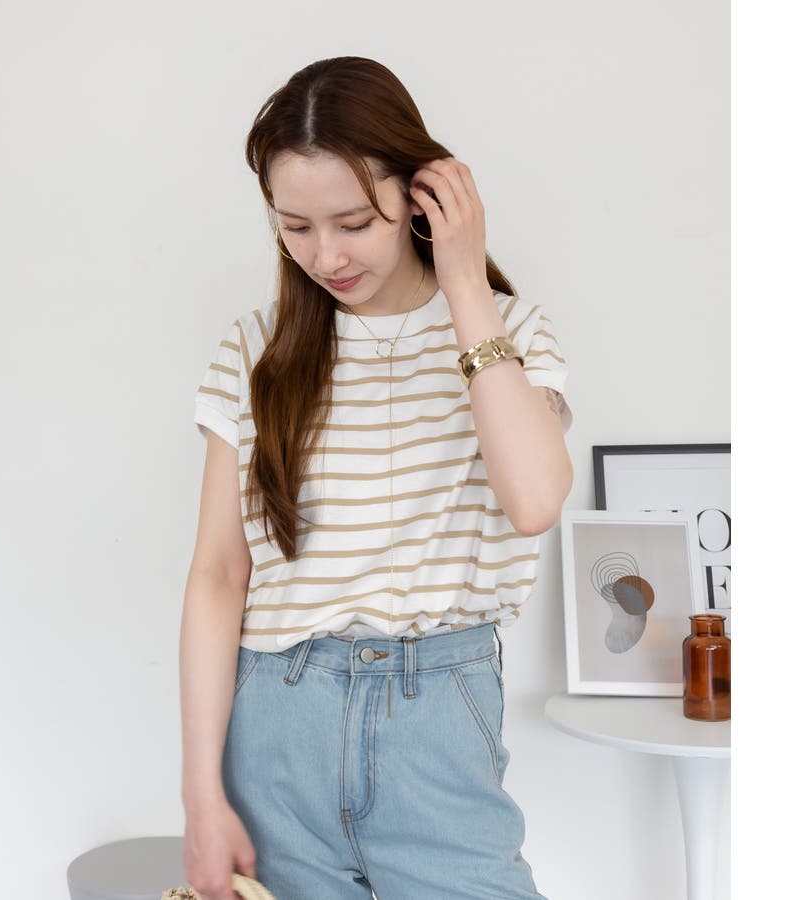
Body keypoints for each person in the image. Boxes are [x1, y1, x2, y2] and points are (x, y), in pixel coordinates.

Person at [180, 56, 573, 900]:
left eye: (354, 221)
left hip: (438, 719)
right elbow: (218, 575)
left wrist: (464, 278)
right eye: (296, 226)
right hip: (278, 724)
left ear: (420, 195)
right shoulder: (254, 351)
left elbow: (536, 501)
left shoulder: (510, 335)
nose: (326, 255)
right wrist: (201, 794)